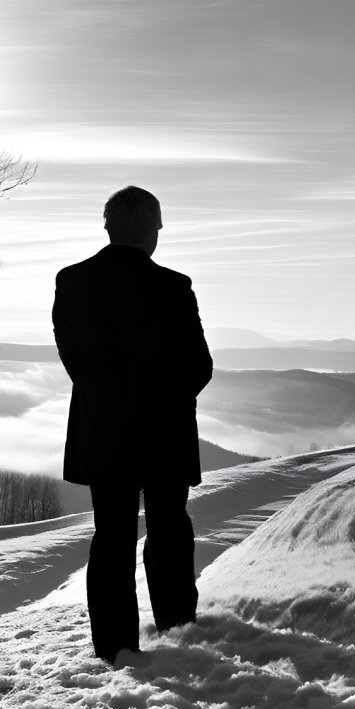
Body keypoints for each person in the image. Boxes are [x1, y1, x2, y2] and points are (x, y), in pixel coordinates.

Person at [52, 186, 213, 667]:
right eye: (159, 226)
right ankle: (177, 626)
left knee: (111, 537)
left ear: (108, 228)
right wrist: (162, 402)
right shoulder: (174, 287)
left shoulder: (73, 281)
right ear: (149, 231)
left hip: (104, 435)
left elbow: (74, 360)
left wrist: (110, 401)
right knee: (168, 528)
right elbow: (199, 366)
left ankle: (116, 647)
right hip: (166, 435)